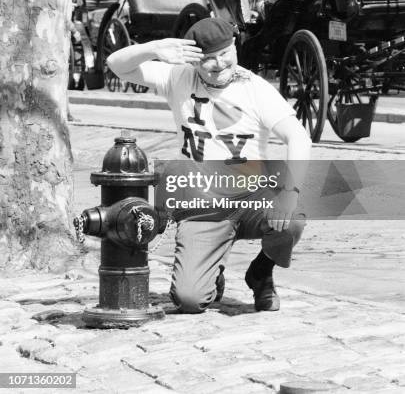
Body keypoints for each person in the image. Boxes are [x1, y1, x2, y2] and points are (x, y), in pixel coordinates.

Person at [107, 17, 312, 314]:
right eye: (209, 60)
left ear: (235, 47)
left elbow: (298, 137)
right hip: (202, 203)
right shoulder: (178, 77)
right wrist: (153, 48)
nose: (219, 65)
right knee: (190, 299)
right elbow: (116, 64)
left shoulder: (255, 88)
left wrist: (290, 192)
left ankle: (261, 273)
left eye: (225, 55)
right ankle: (211, 271)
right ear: (193, 61)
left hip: (250, 196)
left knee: (293, 219)